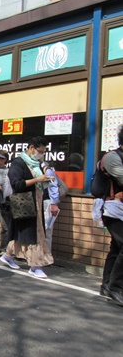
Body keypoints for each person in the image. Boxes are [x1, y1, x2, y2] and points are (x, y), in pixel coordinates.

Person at [0, 137, 54, 279]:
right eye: (39, 151)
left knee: (23, 232)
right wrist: (37, 179)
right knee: (35, 233)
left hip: (36, 201)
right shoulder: (18, 163)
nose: (41, 154)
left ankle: (8, 255)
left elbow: (44, 168)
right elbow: (16, 183)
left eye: (43, 152)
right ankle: (35, 265)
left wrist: (46, 174)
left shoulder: (38, 163)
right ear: (31, 148)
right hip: (24, 202)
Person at [99, 125, 123, 306]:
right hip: (113, 208)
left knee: (116, 248)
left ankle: (106, 285)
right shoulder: (113, 157)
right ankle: (116, 287)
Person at [41, 161, 61, 253]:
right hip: (45, 202)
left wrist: (54, 203)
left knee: (46, 229)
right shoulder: (47, 171)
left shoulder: (48, 172)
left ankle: (46, 254)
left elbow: (53, 187)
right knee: (45, 229)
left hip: (48, 202)